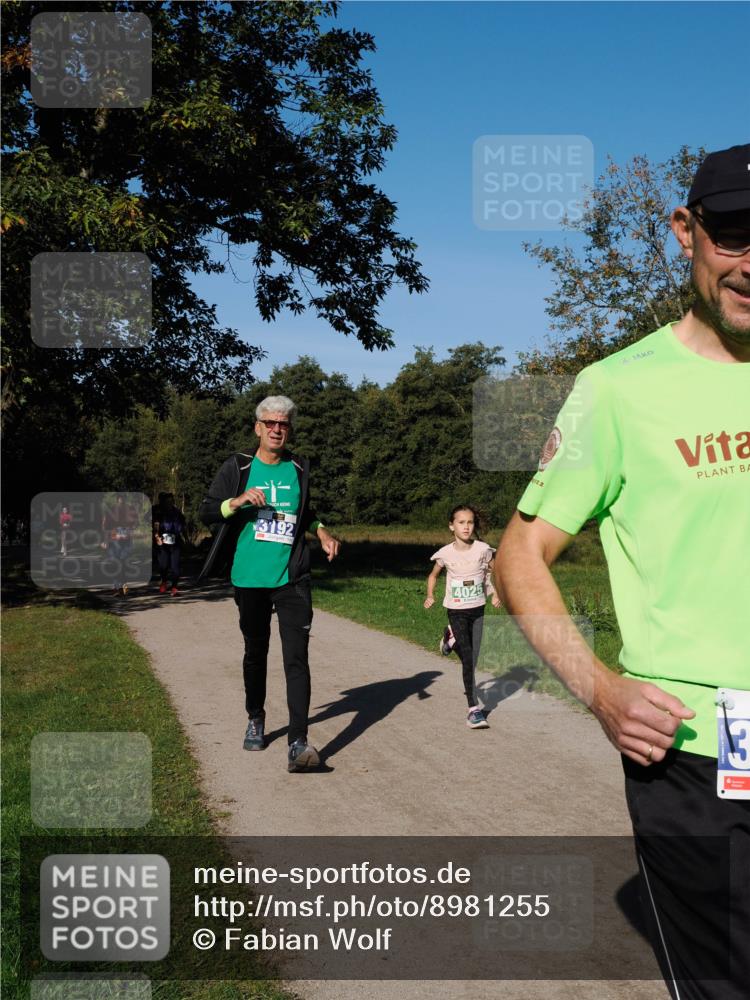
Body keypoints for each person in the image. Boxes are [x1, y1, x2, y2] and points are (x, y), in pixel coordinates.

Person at [495, 144, 750, 999]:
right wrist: (600, 689)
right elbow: (518, 554)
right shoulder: (618, 390)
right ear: (688, 232)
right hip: (701, 752)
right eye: (737, 236)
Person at [199, 395, 340, 772]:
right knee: (255, 651)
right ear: (258, 428)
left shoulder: (299, 466)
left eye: (285, 424)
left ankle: (298, 742)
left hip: (292, 576)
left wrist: (322, 531)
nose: (278, 429)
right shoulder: (239, 466)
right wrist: (239, 500)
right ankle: (256, 716)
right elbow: (208, 509)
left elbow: (304, 510)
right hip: (249, 575)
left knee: (296, 656)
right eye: (271, 424)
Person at [424, 504, 502, 729]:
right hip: (456, 610)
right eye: (461, 522)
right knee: (468, 658)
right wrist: (430, 595)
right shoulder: (445, 553)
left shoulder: (483, 549)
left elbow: (495, 572)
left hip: (478, 609)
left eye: (470, 522)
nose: (466, 527)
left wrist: (496, 592)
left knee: (473, 656)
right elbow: (433, 576)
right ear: (452, 526)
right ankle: (473, 709)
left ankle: (449, 638)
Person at [101, 494, 137, 595]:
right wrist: (105, 540)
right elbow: (105, 526)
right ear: (117, 500)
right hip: (114, 537)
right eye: (120, 499)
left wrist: (129, 533)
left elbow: (134, 524)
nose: (121, 500)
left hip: (125, 538)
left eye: (123, 498)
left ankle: (121, 585)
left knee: (121, 562)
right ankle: (119, 587)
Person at [153, 492, 187, 596]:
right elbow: (156, 525)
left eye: (171, 501)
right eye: (167, 501)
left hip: (175, 542)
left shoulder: (177, 512)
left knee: (175, 566)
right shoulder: (159, 512)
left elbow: (183, 526)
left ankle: (174, 587)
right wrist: (157, 536)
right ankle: (164, 581)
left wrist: (186, 539)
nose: (169, 503)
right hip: (162, 541)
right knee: (163, 565)